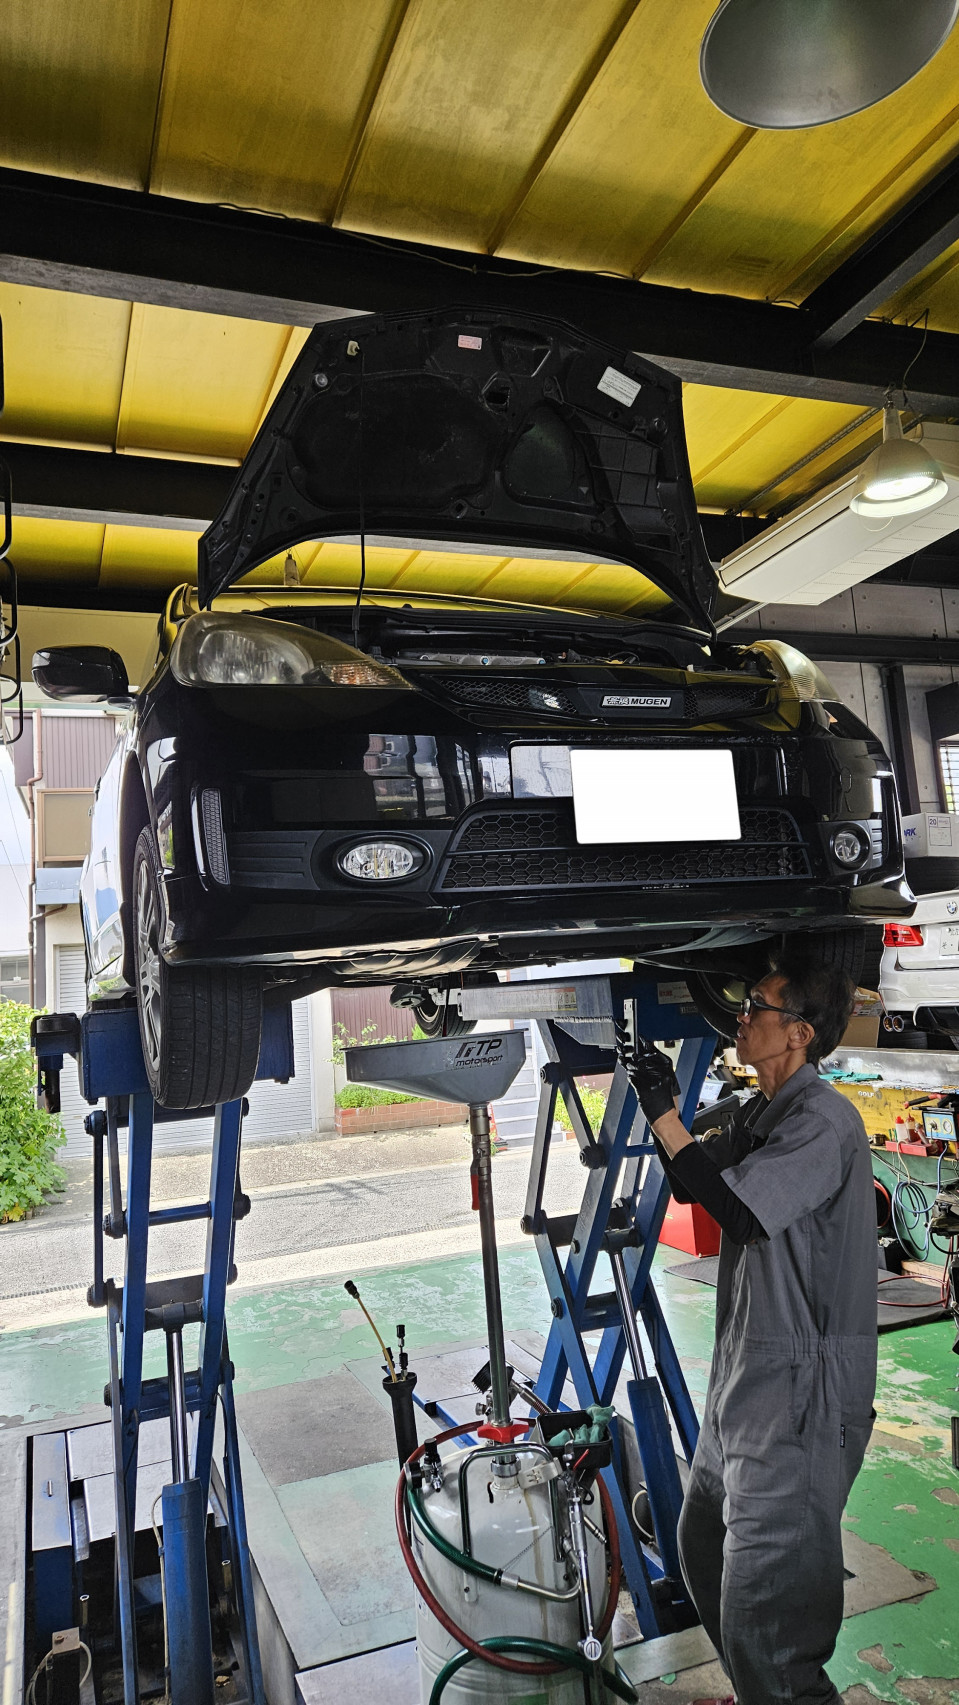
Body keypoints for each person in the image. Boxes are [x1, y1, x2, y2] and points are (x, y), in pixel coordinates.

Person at [617, 956, 877, 1705]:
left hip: (800, 1394)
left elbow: (737, 1213)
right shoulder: (762, 1112)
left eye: (757, 1005)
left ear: (798, 1033)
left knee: (771, 1622)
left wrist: (667, 1118)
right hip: (745, 1380)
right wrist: (661, 1109)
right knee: (702, 1547)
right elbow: (689, 1182)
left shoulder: (824, 1121)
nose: (741, 1015)